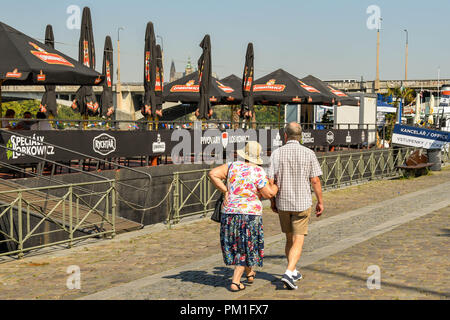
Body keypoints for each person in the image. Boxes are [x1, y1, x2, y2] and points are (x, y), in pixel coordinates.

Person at [209, 141, 278, 292]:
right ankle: (235, 282)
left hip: (229, 213)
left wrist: (225, 190)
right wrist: (276, 185)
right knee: (246, 246)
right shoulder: (258, 171)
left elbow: (212, 174)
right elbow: (268, 193)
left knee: (239, 244)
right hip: (249, 214)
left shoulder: (232, 166)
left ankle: (249, 273)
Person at [268, 122, 324, 290]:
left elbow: (270, 181)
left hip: (283, 202)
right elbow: (315, 180)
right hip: (302, 202)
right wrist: (320, 201)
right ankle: (289, 272)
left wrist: (272, 201)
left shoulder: (277, 153)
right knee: (298, 239)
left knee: (289, 238)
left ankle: (292, 271)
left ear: (285, 136)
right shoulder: (309, 153)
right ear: (300, 137)